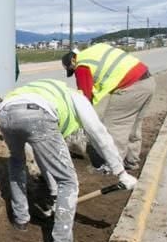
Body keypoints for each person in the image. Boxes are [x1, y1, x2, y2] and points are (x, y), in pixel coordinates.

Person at [0, 78, 137, 242]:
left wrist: (54, 193)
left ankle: (21, 219)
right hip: (37, 114)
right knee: (69, 183)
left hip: (5, 112)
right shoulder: (77, 98)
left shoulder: (50, 91)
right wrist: (121, 172)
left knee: (17, 161)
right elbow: (99, 133)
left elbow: (43, 154)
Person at [62, 44, 154, 172]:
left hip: (129, 86)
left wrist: (82, 119)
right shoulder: (93, 52)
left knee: (115, 126)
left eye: (72, 69)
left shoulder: (81, 66)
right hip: (147, 81)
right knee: (134, 126)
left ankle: (113, 167)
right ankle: (131, 161)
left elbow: (85, 97)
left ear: (73, 60)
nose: (74, 71)